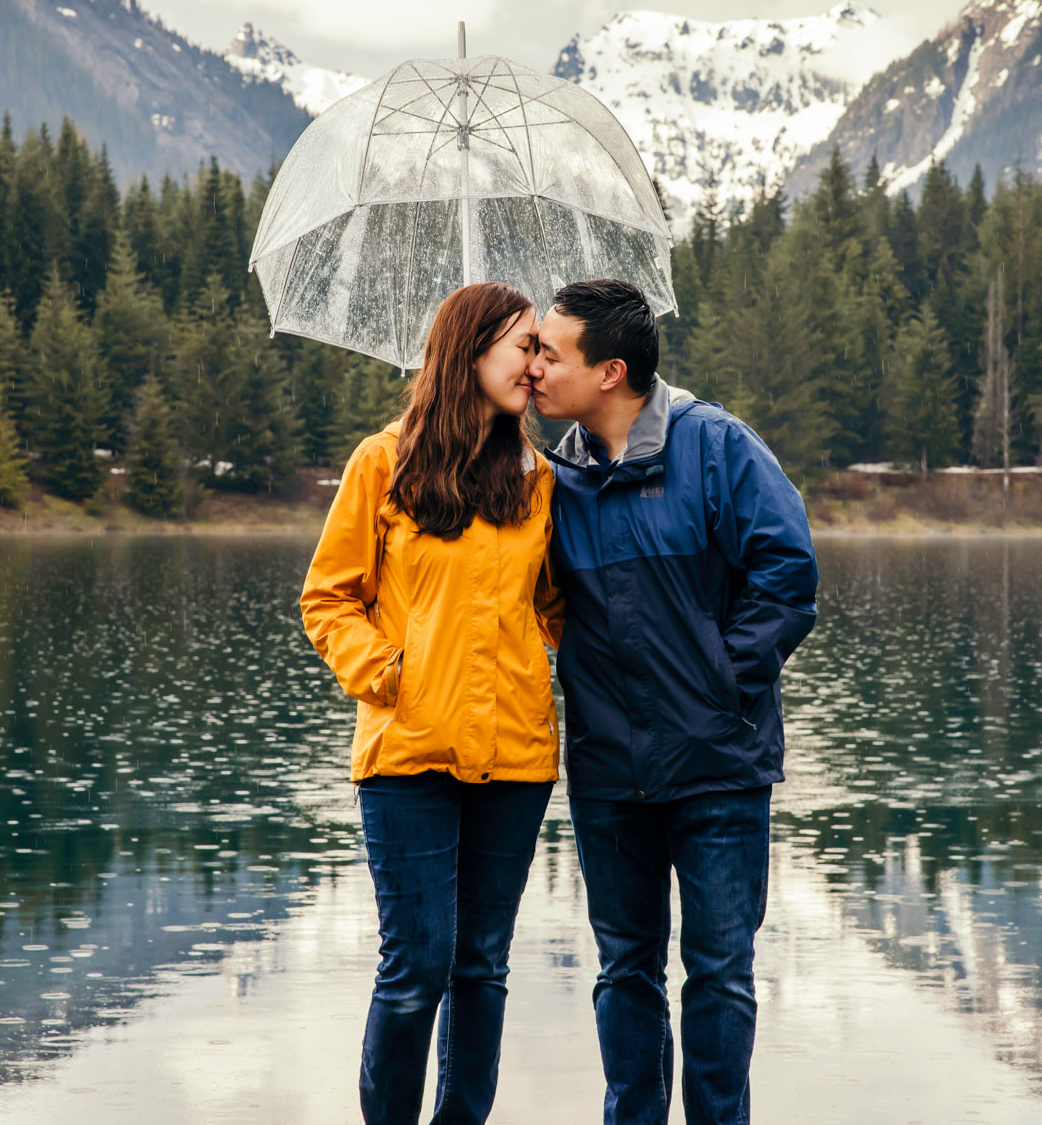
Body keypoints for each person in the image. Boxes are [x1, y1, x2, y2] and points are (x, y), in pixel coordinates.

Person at [527, 278, 817, 1125]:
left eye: (551, 352)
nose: (535, 367)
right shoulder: (553, 478)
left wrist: (722, 683)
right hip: (609, 773)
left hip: (718, 765)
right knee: (625, 970)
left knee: (721, 970)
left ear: (610, 371)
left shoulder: (715, 446)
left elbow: (788, 574)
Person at [299, 281, 564, 1125]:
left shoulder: (540, 477)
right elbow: (327, 598)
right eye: (525, 346)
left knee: (482, 965)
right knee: (417, 965)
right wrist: (387, 674)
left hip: (517, 757)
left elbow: (556, 608)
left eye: (540, 349)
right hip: (408, 751)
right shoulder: (384, 462)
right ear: (471, 351)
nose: (537, 365)